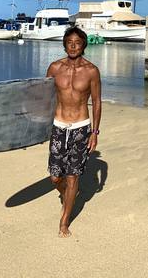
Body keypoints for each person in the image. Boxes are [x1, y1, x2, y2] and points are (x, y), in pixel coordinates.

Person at [46, 26, 101, 237]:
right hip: (58, 127)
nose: (73, 46)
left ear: (84, 45)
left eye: (77, 43)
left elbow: (96, 101)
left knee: (72, 177)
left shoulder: (91, 71)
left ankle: (64, 222)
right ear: (64, 44)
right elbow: (44, 98)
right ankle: (69, 194)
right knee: (55, 177)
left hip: (80, 129)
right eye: (69, 43)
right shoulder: (54, 68)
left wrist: (94, 132)